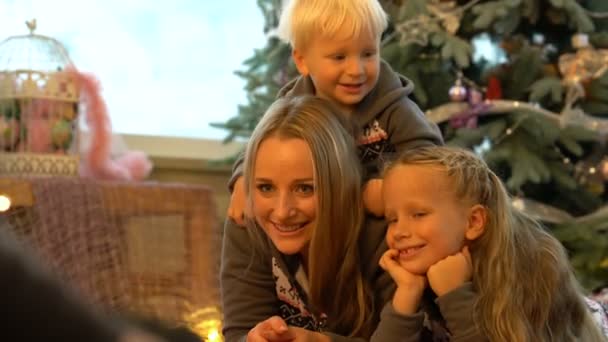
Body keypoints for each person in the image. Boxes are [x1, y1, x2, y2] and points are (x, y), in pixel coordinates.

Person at [226, 0, 443, 224]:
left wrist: (390, 188)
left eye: (368, 54)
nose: (356, 70)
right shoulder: (291, 109)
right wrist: (243, 179)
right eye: (339, 57)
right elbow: (259, 150)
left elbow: (430, 160)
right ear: (302, 61)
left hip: (381, 228)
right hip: (315, 222)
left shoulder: (396, 109)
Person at [377, 146, 608, 341]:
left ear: (474, 221)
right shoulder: (413, 274)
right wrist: (407, 294)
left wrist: (456, 296)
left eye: (418, 214)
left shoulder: (536, 268)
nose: (399, 232)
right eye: (392, 219)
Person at [221, 95, 398, 342]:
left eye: (305, 189)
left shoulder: (388, 237)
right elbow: (239, 330)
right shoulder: (247, 223)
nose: (282, 211)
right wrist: (252, 339)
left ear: (339, 186)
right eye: (266, 188)